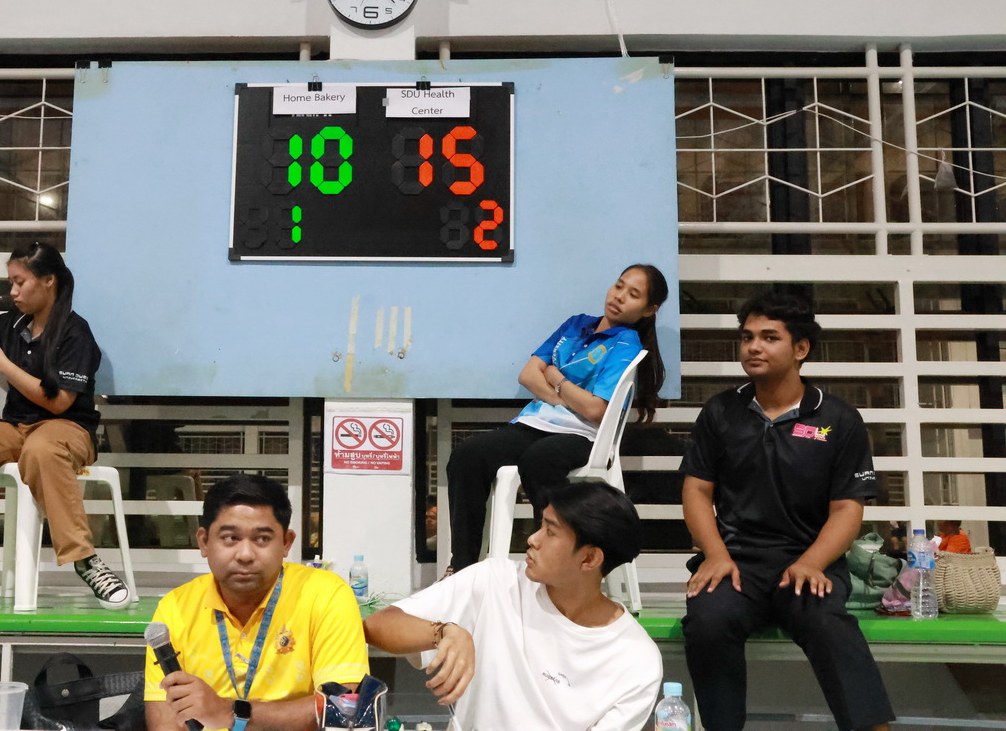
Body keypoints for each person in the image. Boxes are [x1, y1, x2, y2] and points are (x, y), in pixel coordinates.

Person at [679, 291, 894, 731]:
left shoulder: (838, 419)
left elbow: (847, 508)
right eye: (747, 337)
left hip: (808, 561)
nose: (753, 347)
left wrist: (812, 562)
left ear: (801, 348)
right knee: (707, 621)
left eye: (769, 337)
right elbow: (697, 491)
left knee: (827, 622)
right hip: (737, 562)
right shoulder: (720, 412)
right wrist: (715, 555)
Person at [364, 480, 661, 731]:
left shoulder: (636, 661)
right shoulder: (496, 581)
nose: (532, 539)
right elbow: (376, 625)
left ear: (589, 559)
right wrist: (444, 631)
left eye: (550, 531)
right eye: (540, 525)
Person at [0, 242, 129, 610]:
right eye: (11, 282)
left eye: (20, 282)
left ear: (48, 280)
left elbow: (58, 402)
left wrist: (1, 364)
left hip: (67, 428)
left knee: (43, 450)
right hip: (16, 428)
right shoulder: (13, 322)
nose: (13, 291)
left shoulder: (75, 333)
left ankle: (84, 559)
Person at [445, 263, 668, 571]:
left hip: (581, 435)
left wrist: (555, 378)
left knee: (540, 460)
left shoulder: (626, 343)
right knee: (467, 456)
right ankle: (462, 569)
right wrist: (566, 398)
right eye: (619, 286)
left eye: (633, 294)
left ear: (649, 310)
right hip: (532, 424)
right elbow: (527, 374)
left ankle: (554, 565)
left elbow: (595, 410)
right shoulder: (575, 325)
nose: (619, 296)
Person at [145, 473, 369, 731]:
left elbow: (343, 708)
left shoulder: (325, 594)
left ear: (286, 543)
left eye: (262, 539)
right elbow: (165, 722)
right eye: (230, 538)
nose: (245, 555)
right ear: (204, 542)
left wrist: (230, 713)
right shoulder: (175, 608)